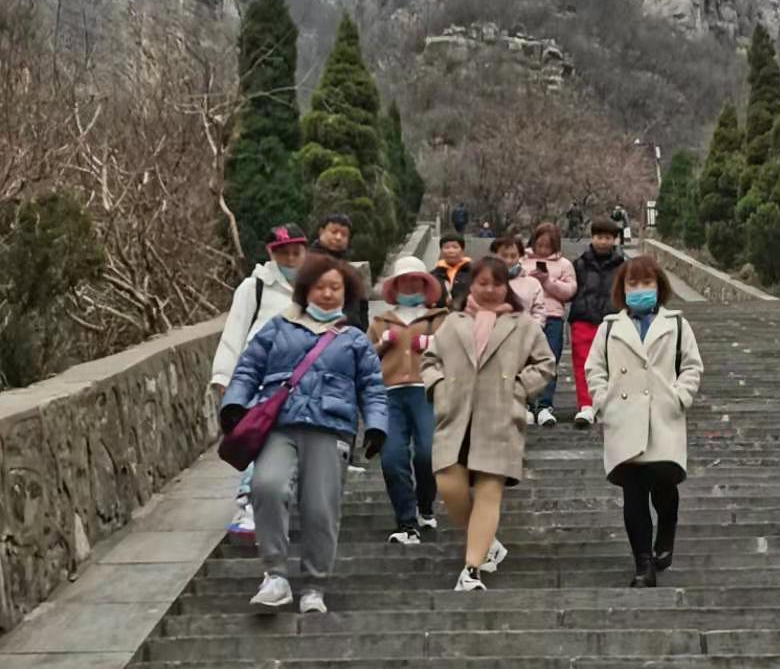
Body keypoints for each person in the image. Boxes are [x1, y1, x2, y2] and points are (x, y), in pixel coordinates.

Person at [219, 251, 388, 613]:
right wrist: (234, 402)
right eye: (320, 287)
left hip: (330, 428)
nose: (327, 294)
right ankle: (275, 575)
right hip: (280, 425)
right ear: (305, 290)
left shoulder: (354, 339)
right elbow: (248, 368)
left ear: (346, 294)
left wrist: (376, 425)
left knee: (320, 508)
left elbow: (372, 387)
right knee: (266, 485)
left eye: (335, 288)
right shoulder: (278, 327)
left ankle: (314, 585)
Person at [420, 254, 552, 593]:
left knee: (488, 492)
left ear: (507, 286)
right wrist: (439, 387)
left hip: (499, 416)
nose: (490, 289)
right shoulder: (454, 322)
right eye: (483, 283)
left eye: (497, 283)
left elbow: (545, 364)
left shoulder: (523, 325)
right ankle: (487, 542)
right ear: (471, 286)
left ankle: (472, 569)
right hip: (455, 414)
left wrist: (519, 388)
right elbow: (430, 361)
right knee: (448, 484)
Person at [585, 254, 703, 587]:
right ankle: (643, 563)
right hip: (624, 417)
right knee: (633, 493)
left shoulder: (677, 324)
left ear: (659, 285)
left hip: (662, 415)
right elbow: (594, 368)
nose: (640, 289)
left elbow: (692, 365)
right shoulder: (610, 327)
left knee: (663, 484)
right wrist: (603, 401)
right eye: (633, 283)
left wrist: (680, 396)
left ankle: (666, 531)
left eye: (647, 282)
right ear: (622, 288)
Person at [210, 223, 309, 540]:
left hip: (303, 380)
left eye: (296, 252)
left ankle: (278, 505)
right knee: (261, 439)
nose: (290, 259)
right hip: (261, 379)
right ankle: (248, 504)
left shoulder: (314, 287)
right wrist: (224, 377)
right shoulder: (254, 287)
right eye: (283, 253)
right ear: (271, 253)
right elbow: (235, 331)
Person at [374, 253, 447, 546]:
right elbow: (365, 359)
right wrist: (382, 345)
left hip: (426, 391)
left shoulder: (439, 318)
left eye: (416, 280)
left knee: (428, 453)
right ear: (395, 285)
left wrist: (431, 343)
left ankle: (425, 504)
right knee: (392, 457)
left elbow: (456, 349)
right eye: (404, 280)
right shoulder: (380, 321)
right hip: (389, 394)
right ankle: (406, 521)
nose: (410, 285)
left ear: (425, 284)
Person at [568, 216, 625, 426]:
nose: (603, 241)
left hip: (612, 321)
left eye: (608, 237)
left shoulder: (622, 266)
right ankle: (586, 405)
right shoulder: (579, 264)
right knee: (583, 364)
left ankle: (607, 404)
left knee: (613, 364)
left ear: (614, 240)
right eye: (599, 237)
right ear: (592, 237)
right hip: (583, 319)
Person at [525, 221, 577, 425]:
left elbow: (569, 291)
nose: (543, 250)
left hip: (553, 317)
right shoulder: (523, 261)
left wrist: (547, 281)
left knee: (550, 361)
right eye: (540, 245)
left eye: (548, 246)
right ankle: (527, 403)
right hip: (527, 319)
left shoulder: (564, 265)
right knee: (526, 361)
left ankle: (545, 405)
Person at [311, 212, 370, 332]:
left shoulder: (352, 271)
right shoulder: (308, 265)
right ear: (321, 232)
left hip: (352, 334)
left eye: (344, 234)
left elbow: (362, 307)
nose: (338, 237)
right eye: (334, 232)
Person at [490, 233, 546, 323]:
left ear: (520, 256)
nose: (508, 260)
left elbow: (539, 312)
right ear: (495, 255)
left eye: (513, 256)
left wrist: (531, 328)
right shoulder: (485, 281)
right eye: (504, 255)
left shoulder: (532, 283)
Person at [433, 230, 472, 311]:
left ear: (462, 250)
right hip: (441, 313)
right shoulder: (434, 274)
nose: (451, 251)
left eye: (455, 247)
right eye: (446, 247)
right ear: (441, 251)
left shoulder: (473, 271)